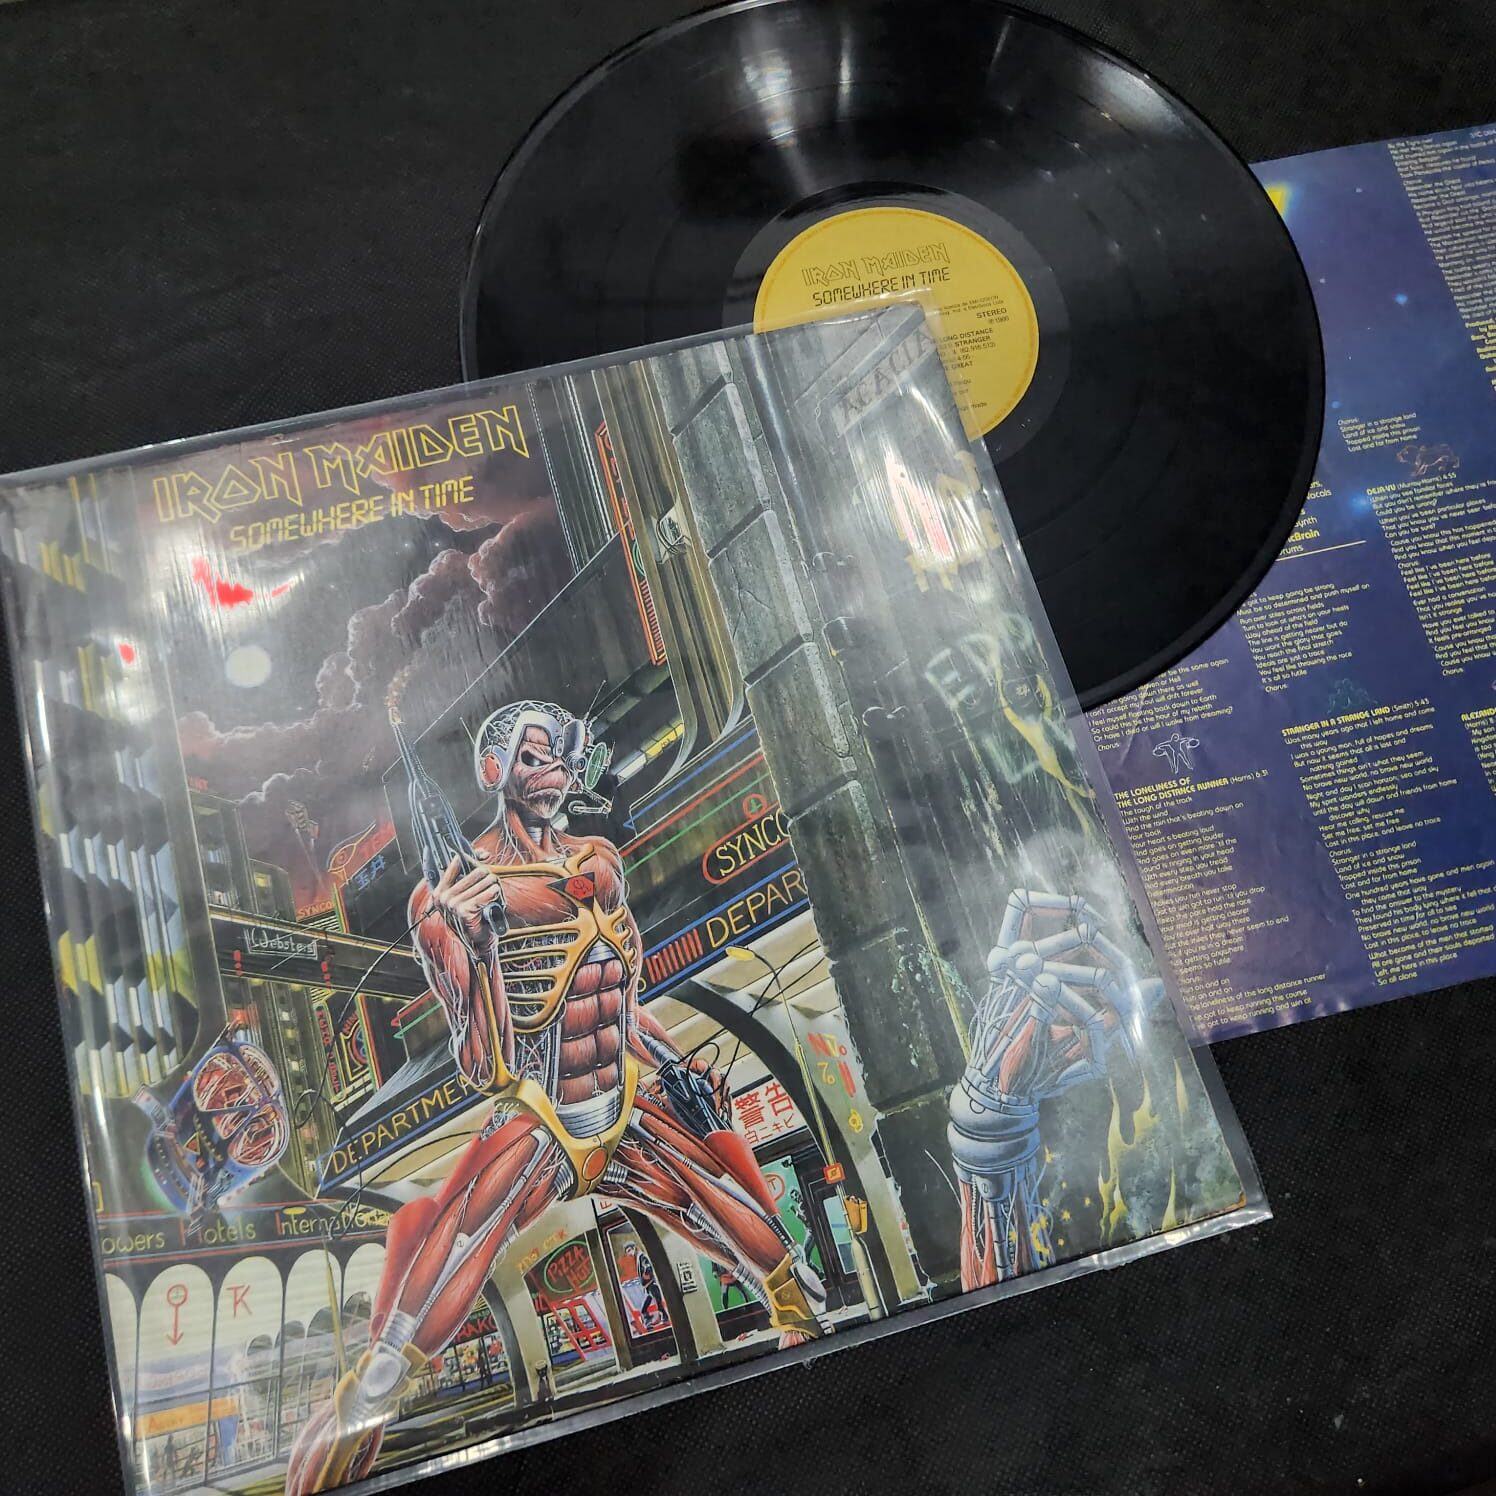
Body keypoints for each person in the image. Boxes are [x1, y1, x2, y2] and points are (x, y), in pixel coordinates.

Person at [286, 702, 825, 1493]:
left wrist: (677, 1069)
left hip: (627, 1105)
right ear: (493, 770)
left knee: (785, 1274)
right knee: (392, 1359)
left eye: (560, 758)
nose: (554, 774)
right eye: (534, 758)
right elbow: (485, 1064)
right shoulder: (444, 901)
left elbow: (623, 1003)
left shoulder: (599, 862)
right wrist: (475, 949)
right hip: (540, 1118)